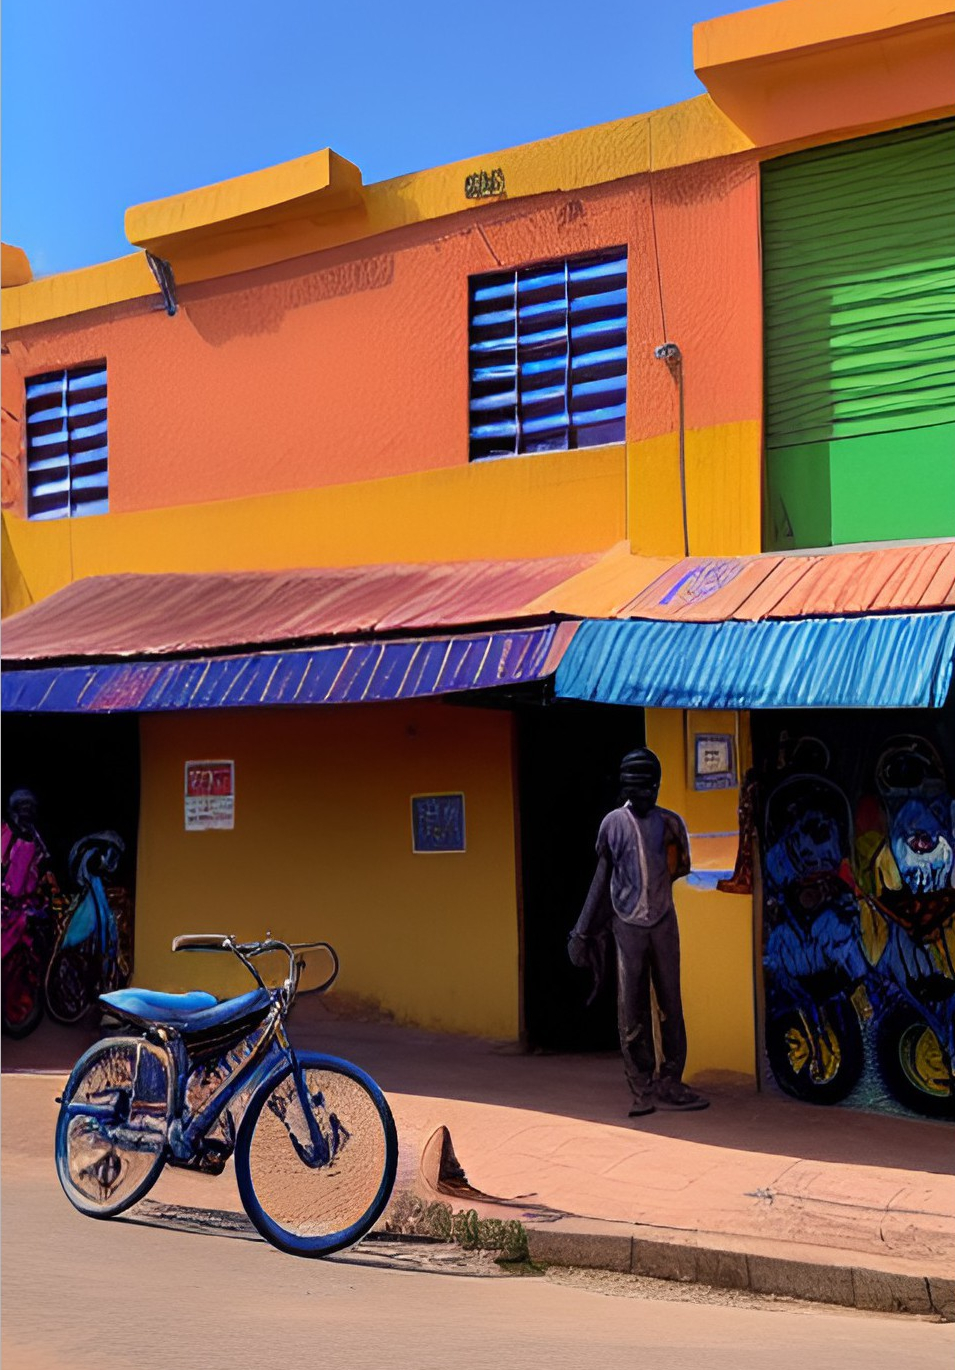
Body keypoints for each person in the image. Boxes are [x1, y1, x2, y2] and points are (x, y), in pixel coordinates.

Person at [568, 748, 708, 1115]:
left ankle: (671, 1081)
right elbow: (602, 878)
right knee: (631, 1008)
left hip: (663, 922)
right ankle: (641, 1085)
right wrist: (582, 931)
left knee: (670, 1004)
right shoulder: (612, 825)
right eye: (639, 786)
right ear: (627, 786)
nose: (647, 793)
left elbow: (679, 868)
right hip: (627, 925)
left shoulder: (672, 823)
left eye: (652, 785)